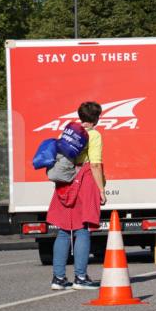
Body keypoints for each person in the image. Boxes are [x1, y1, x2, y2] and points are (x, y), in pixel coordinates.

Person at [48, 101, 106, 290]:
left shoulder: (67, 133)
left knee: (64, 231)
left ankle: (58, 278)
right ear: (96, 118)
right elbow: (95, 164)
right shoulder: (94, 135)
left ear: (81, 116)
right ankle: (80, 277)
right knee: (82, 230)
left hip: (65, 182)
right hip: (84, 180)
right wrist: (101, 190)